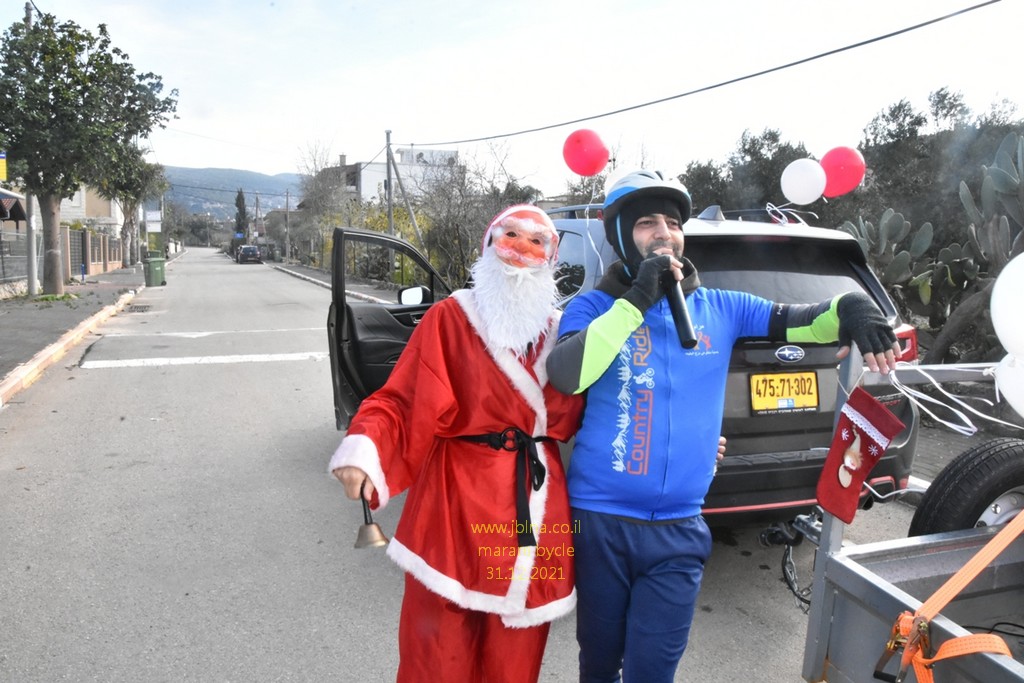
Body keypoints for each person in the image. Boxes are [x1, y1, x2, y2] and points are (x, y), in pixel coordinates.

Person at [546, 170, 901, 683]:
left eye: (673, 223)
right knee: (599, 665)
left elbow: (806, 319)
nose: (663, 233)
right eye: (646, 223)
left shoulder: (722, 307)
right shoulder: (594, 307)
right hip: (600, 522)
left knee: (652, 671)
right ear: (621, 235)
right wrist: (637, 300)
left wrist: (852, 307)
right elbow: (567, 374)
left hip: (679, 529)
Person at [329, 205, 584, 683]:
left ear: (551, 260)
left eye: (537, 242)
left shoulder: (563, 333)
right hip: (454, 501)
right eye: (510, 236)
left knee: (515, 659)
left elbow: (608, 410)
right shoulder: (450, 317)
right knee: (437, 654)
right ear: (488, 245)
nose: (521, 251)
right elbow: (404, 399)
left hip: (534, 507)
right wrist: (366, 446)